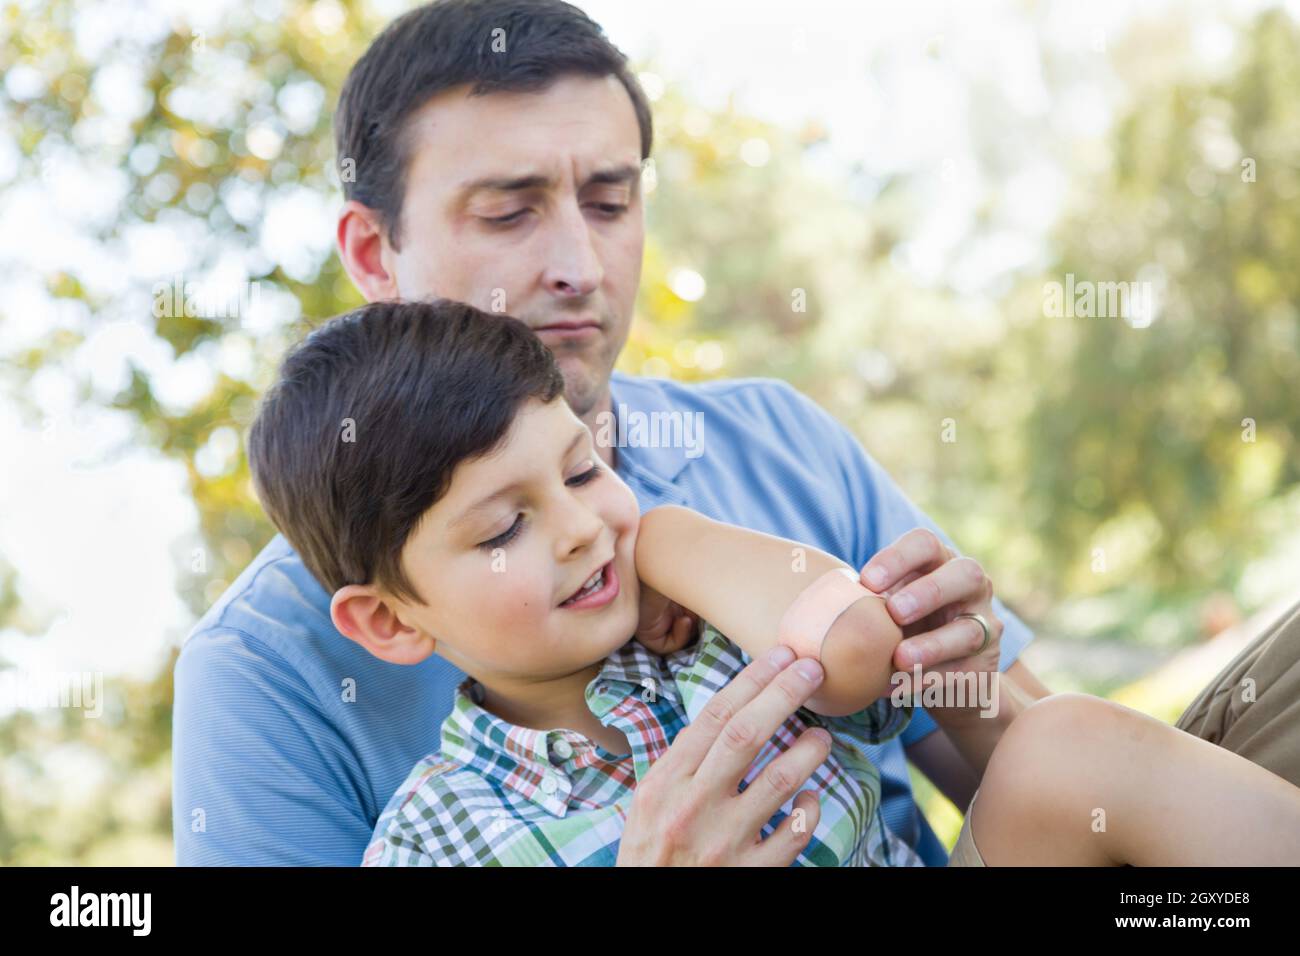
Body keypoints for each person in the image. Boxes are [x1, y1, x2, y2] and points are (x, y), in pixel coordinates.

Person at [172, 0, 1300, 866]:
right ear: (373, 254)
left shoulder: (766, 439)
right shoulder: (264, 671)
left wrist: (954, 671)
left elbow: (1053, 778)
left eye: (609, 201)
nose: (577, 260)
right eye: (510, 209)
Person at [245, 299, 1300, 866]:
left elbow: (856, 652)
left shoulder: (706, 630)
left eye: (580, 469)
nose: (577, 528)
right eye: (503, 527)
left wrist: (669, 538)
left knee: (1067, 745)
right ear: (387, 620)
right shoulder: (437, 834)